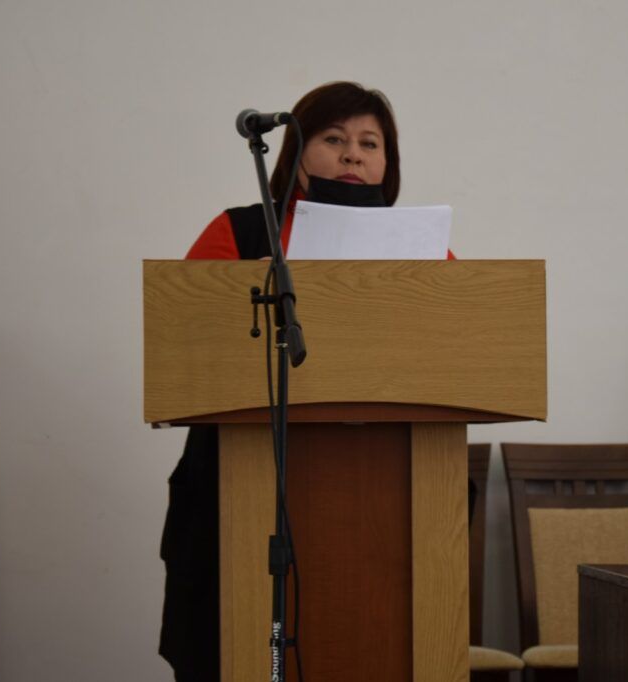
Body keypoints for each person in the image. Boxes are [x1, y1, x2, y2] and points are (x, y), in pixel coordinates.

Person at [159, 81, 437, 681]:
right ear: (296, 152)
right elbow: (182, 335)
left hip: (385, 480)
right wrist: (243, 297)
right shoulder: (241, 232)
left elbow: (465, 331)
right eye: (333, 138)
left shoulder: (420, 250)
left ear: (387, 162)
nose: (353, 154)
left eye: (370, 143)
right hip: (239, 476)